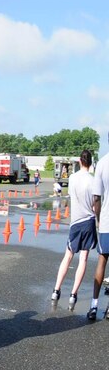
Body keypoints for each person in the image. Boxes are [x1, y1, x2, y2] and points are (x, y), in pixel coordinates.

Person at [52, 150, 96, 313]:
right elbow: (95, 202)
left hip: (75, 222)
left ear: (79, 161)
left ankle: (56, 290)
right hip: (89, 220)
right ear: (91, 163)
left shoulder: (72, 178)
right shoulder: (93, 180)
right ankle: (73, 294)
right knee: (83, 259)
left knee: (68, 256)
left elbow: (71, 195)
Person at [92, 136, 109, 318]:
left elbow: (96, 197)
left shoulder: (102, 163)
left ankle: (94, 305)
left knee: (102, 261)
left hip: (106, 221)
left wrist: (97, 219)